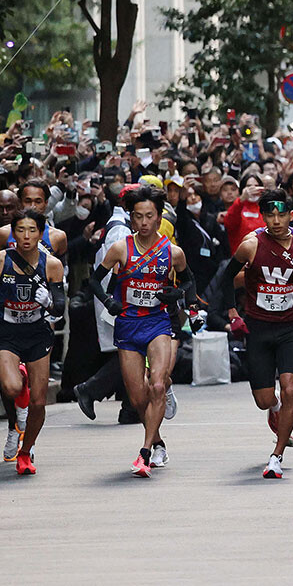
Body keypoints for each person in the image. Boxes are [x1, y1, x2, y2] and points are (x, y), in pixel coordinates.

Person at [216, 188, 293, 478]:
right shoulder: (251, 245)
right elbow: (226, 278)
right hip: (259, 327)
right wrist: (233, 313)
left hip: (290, 328)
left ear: (291, 214)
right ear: (263, 216)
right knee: (265, 398)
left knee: (290, 389)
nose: (276, 221)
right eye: (269, 215)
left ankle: (277, 455)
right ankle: (273, 408)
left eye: (281, 214)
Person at [89, 187, 193, 477]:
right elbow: (94, 281)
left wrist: (176, 293)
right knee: (137, 399)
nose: (144, 222)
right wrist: (109, 302)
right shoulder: (120, 248)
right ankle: (158, 441)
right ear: (131, 220)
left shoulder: (173, 253)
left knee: (157, 384)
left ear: (159, 219)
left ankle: (145, 452)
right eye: (138, 217)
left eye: (150, 216)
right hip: (127, 325)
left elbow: (189, 284)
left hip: (157, 323)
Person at [0, 211, 65, 475]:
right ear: (13, 233)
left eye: (32, 231)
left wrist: (49, 301)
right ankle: (21, 379)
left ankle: (25, 452)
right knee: (12, 385)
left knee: (39, 403)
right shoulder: (2, 260)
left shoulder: (52, 264)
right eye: (21, 231)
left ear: (41, 233)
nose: (26, 237)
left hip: (37, 333)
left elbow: (60, 306)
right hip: (7, 332)